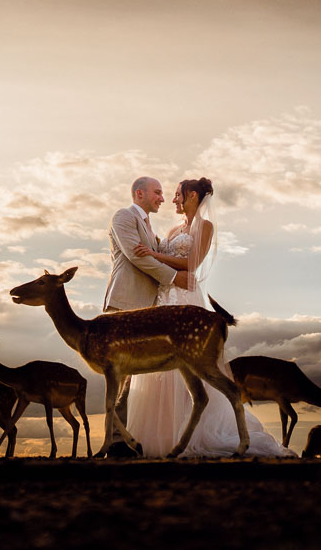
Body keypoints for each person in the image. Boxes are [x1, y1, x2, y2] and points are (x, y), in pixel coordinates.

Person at [125, 177, 293, 458]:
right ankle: (159, 436)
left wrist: (154, 254)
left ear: (191, 195)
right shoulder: (173, 228)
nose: (173, 200)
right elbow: (164, 258)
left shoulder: (205, 226)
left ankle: (195, 434)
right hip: (165, 298)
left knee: (189, 367)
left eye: (177, 195)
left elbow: (193, 264)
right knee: (158, 370)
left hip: (187, 300)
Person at [102, 176, 191, 456]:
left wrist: (185, 234)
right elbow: (136, 257)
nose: (162, 198)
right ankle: (116, 442)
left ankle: (122, 440)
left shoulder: (150, 229)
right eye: (157, 192)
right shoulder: (124, 217)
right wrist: (175, 278)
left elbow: (156, 252)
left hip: (144, 310)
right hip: (125, 304)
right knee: (117, 374)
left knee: (129, 377)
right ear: (139, 193)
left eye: (164, 193)